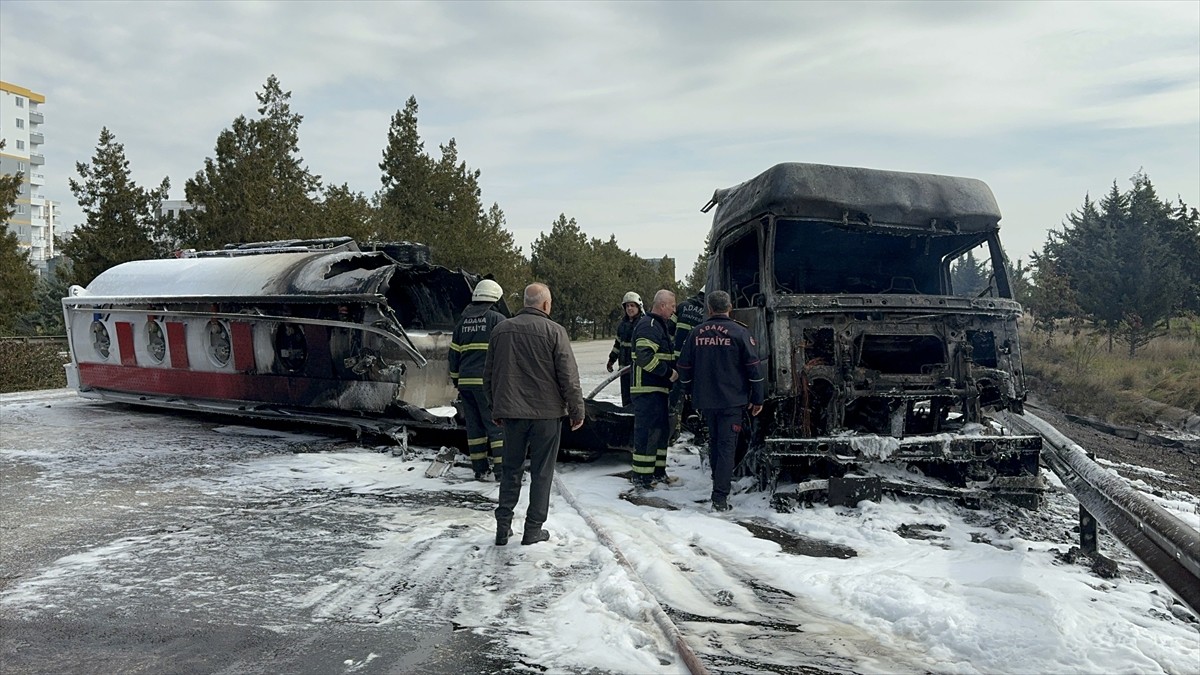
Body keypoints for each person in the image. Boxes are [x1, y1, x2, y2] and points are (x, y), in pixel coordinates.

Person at [484, 283, 585, 546]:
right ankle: (533, 530)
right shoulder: (555, 331)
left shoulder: (500, 330)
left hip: (512, 415)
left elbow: (489, 374)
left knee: (510, 469)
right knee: (542, 472)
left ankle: (502, 527)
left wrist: (496, 406)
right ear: (545, 305)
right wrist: (577, 410)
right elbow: (568, 377)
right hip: (547, 415)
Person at [677, 290, 764, 512]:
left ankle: (719, 484)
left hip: (706, 401)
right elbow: (754, 369)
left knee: (715, 443)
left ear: (709, 309)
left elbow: (684, 366)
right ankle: (720, 497)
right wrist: (758, 398)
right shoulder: (740, 332)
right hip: (732, 401)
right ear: (730, 307)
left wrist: (688, 390)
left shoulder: (696, 333)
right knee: (726, 446)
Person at [449, 279, 507, 481]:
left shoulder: (461, 323)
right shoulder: (497, 320)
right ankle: (502, 472)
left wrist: (457, 381)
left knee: (474, 428)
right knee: (496, 427)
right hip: (487, 385)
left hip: (466, 384)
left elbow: (453, 356)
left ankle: (480, 469)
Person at [629, 289, 677, 488]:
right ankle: (642, 478)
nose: (674, 310)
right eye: (673, 306)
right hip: (647, 389)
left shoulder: (659, 325)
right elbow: (644, 356)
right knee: (647, 434)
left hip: (658, 390)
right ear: (663, 305)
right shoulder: (649, 326)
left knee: (660, 432)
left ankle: (658, 472)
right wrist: (668, 373)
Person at [669, 290, 705, 442]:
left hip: (677, 359)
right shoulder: (707, 311)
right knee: (697, 395)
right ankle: (699, 431)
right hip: (697, 362)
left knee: (676, 395)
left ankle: (673, 432)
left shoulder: (682, 306)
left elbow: (669, 329)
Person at [605, 291, 643, 407]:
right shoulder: (623, 325)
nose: (629, 308)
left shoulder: (643, 324)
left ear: (638, 307)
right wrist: (611, 360)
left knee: (637, 399)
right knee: (626, 399)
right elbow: (617, 345)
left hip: (637, 371)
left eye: (632, 305)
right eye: (627, 306)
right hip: (624, 370)